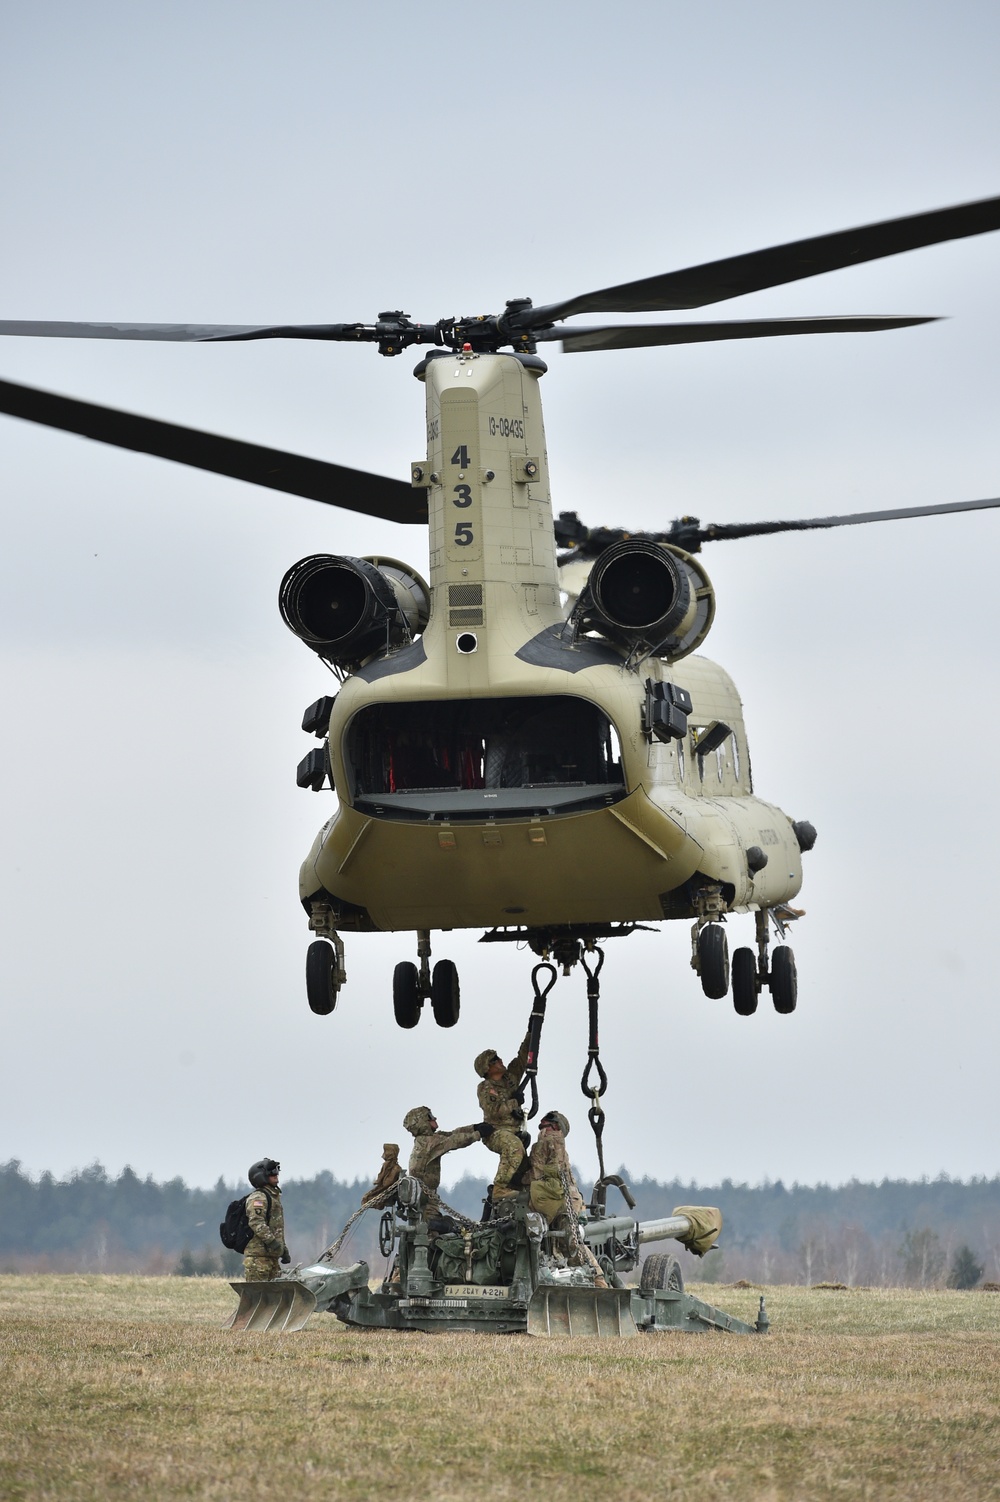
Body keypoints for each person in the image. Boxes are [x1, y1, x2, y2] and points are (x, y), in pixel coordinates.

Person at [528, 1112, 607, 1287]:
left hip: (562, 1203)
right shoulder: (551, 1146)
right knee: (566, 1243)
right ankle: (597, 1278)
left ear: (557, 1129)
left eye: (547, 1127)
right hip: (557, 1202)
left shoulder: (553, 1144)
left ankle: (598, 1279)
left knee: (571, 1243)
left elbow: (539, 1174)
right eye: (541, 1127)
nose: (543, 1130)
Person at [474, 1032, 531, 1207]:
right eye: (495, 1060)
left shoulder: (510, 1078)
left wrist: (532, 1032)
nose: (500, 1061)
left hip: (514, 1132)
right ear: (487, 1068)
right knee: (513, 1147)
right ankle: (500, 1188)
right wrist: (515, 1102)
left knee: (524, 1166)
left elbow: (522, 1058)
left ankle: (520, 1191)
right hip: (495, 1132)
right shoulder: (485, 1088)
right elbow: (493, 1111)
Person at [403, 1107, 485, 1210]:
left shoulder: (426, 1140)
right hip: (425, 1201)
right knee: (437, 1225)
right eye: (430, 1116)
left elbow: (452, 1134)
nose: (434, 1118)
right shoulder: (429, 1142)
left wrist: (474, 1127)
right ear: (422, 1122)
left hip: (427, 1197)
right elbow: (454, 1140)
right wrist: (478, 1134)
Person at [243, 1158, 290, 1282]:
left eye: (276, 1172)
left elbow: (276, 1228)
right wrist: (272, 1243)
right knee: (257, 1297)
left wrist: (283, 1249)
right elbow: (256, 1222)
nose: (276, 1176)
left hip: (271, 1259)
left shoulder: (273, 1198)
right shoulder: (259, 1198)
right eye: (272, 1173)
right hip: (258, 1259)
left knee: (274, 1299)